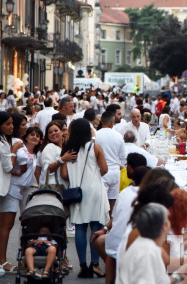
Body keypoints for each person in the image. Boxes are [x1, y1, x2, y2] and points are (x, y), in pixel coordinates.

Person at [60, 118, 110, 278]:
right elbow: (104, 169)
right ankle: (95, 264)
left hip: (78, 193)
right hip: (95, 190)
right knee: (96, 226)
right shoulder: (95, 147)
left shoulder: (68, 150)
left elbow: (64, 175)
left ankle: (83, 266)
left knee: (80, 227)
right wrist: (93, 177)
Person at [117, 203, 187, 284]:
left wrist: (177, 274)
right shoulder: (147, 252)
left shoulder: (150, 245)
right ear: (164, 226)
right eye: (168, 220)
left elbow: (160, 281)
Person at [0, 113, 32, 273]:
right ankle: (0, 259)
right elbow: (13, 165)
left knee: (3, 224)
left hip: (11, 187)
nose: (24, 127)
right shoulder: (13, 143)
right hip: (10, 187)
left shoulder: (12, 142)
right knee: (5, 224)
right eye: (21, 124)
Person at [0, 112, 21, 276]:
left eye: (12, 124)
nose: (11, 127)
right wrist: (14, 150)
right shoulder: (2, 143)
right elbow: (9, 167)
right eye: (8, 124)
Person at [96, 110, 127, 212]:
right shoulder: (118, 136)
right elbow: (123, 156)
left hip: (101, 171)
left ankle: (103, 224)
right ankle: (109, 226)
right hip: (115, 171)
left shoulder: (96, 135)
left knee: (101, 202)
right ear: (112, 121)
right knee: (112, 201)